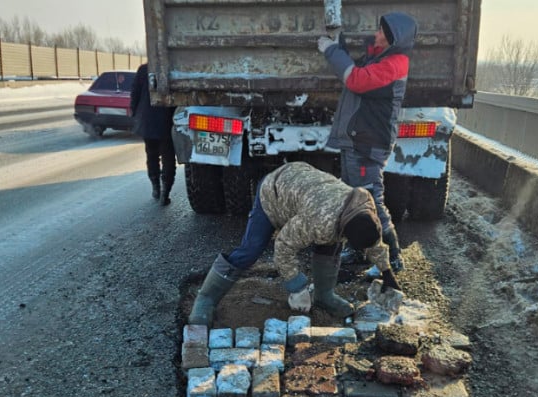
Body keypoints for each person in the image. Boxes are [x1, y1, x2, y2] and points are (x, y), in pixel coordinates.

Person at [188, 161, 400, 327]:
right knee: (250, 250)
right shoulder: (319, 221)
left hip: (304, 185)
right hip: (274, 191)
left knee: (332, 243)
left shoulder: (364, 208)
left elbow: (373, 240)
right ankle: (206, 299)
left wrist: (387, 272)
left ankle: (324, 296)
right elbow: (283, 247)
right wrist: (297, 288)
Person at [318, 12, 417, 277]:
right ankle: (359, 248)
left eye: (383, 32)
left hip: (368, 143)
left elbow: (356, 79)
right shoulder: (381, 58)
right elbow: (361, 64)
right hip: (358, 140)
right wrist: (340, 43)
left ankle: (392, 257)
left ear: (395, 39)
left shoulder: (394, 64)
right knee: (354, 198)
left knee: (371, 198)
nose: (376, 34)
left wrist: (330, 51)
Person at [130, 63, 177, 206]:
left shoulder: (144, 69)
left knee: (151, 155)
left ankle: (155, 187)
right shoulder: (172, 68)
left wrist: (135, 115)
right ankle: (165, 192)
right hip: (166, 120)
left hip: (148, 120)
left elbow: (135, 94)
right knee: (168, 157)